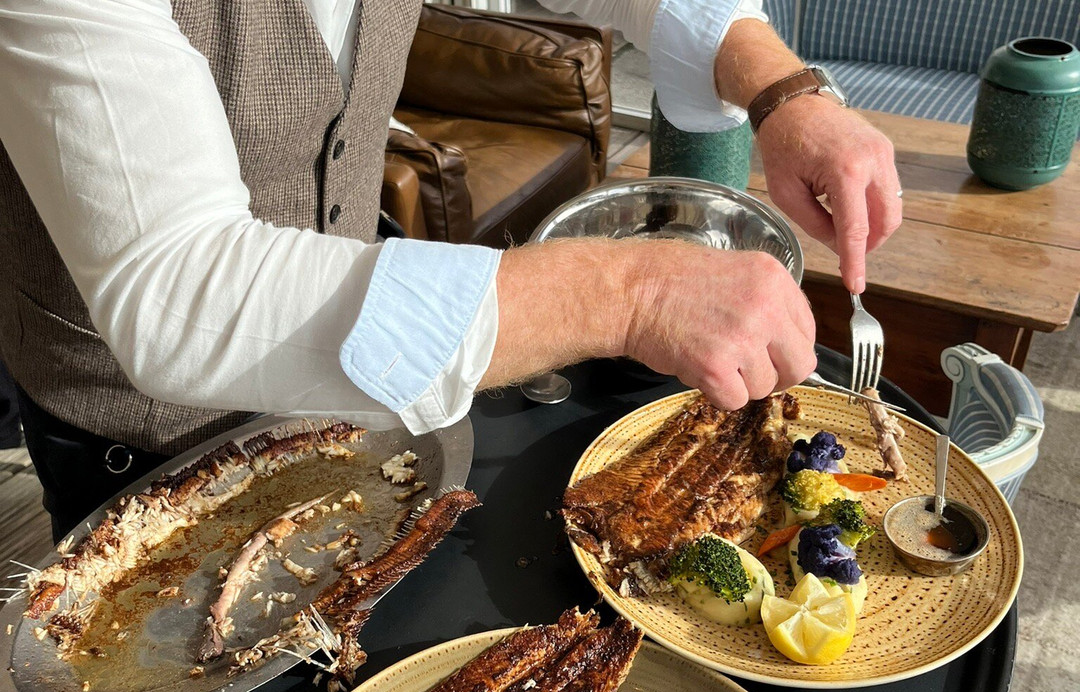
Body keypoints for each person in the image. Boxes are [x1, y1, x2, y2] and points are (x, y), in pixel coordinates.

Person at [0, 0, 901, 540]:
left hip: (359, 410)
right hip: (140, 440)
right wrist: (633, 290)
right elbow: (176, 288)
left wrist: (781, 90)